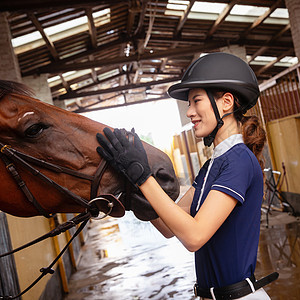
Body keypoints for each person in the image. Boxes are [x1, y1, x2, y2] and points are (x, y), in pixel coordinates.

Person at [96, 52, 278, 299]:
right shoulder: (213, 164)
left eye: (196, 101)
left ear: (226, 102)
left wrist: (142, 177)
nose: (189, 112)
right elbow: (169, 226)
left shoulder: (239, 160)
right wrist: (131, 187)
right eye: (188, 104)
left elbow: (194, 236)